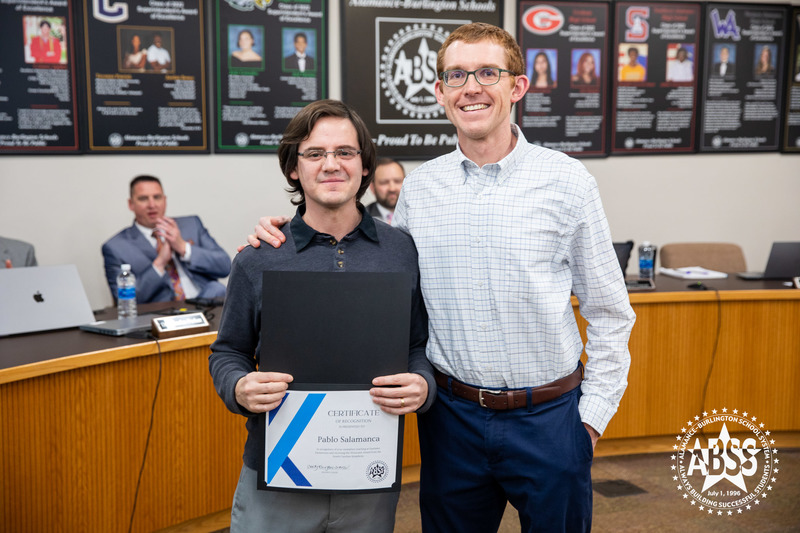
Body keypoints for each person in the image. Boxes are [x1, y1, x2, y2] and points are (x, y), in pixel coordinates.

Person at [248, 22, 635, 533]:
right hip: (451, 424)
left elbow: (610, 311)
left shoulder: (568, 183)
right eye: (456, 75)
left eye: (487, 73)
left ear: (517, 86)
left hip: (549, 421)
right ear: (439, 92)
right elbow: (374, 271)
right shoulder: (421, 188)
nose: (471, 87)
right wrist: (281, 234)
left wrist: (589, 423)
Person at [209, 99, 434, 532]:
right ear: (294, 169)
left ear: (364, 165)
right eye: (314, 154)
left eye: (345, 152)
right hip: (277, 477)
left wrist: (423, 384)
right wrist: (238, 387)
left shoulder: (401, 250)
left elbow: (417, 345)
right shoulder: (259, 258)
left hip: (368, 473)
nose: (331, 165)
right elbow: (228, 352)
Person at [102, 175, 230, 304]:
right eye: (143, 199)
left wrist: (184, 248)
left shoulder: (192, 225)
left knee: (217, 289)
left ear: (165, 200)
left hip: (206, 306)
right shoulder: (116, 247)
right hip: (162, 314)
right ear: (131, 204)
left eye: (157, 197)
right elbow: (124, 301)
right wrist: (160, 263)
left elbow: (225, 266)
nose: (152, 205)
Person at [366, 157, 405, 223]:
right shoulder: (361, 219)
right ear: (372, 187)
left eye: (397, 181)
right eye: (384, 182)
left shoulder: (417, 214)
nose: (392, 189)